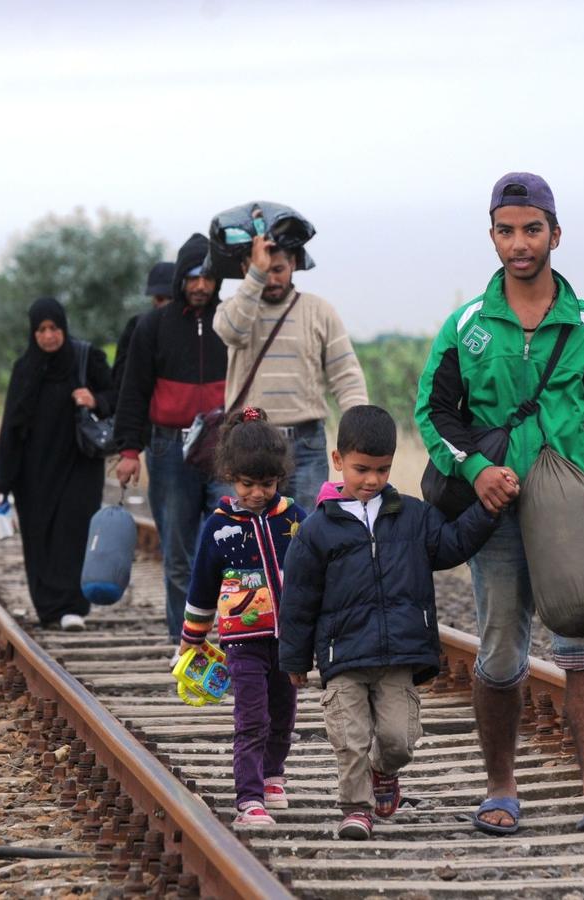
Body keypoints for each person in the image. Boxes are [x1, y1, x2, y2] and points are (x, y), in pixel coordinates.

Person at [415, 172, 584, 836]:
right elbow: (433, 416)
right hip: (493, 514)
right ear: (492, 235)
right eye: (506, 231)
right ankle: (501, 788)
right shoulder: (466, 327)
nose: (519, 244)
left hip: (569, 510)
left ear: (555, 233)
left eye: (531, 230)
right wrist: (476, 467)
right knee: (497, 652)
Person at [280, 405, 498, 840]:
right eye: (362, 469)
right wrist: (294, 658)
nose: (372, 480)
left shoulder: (413, 516)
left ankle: (384, 771)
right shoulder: (316, 530)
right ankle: (355, 809)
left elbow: (452, 544)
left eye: (382, 470)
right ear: (338, 460)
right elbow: (299, 599)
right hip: (343, 657)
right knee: (350, 738)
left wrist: (489, 511)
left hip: (400, 651)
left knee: (399, 738)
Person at [179, 407, 305, 825]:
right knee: (252, 717)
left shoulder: (294, 518)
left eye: (267, 484)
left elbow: (314, 576)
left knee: (284, 714)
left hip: (287, 643)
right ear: (230, 475)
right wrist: (192, 638)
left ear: (279, 478)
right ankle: (248, 798)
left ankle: (272, 775)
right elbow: (202, 588)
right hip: (243, 643)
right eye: (248, 484)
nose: (257, 493)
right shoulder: (218, 527)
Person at [113, 235, 229, 643]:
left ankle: (236, 642)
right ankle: (186, 645)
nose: (201, 286)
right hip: (168, 449)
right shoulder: (153, 326)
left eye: (208, 277)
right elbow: (133, 392)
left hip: (224, 448)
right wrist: (129, 450)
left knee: (231, 540)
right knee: (178, 554)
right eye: (193, 277)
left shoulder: (233, 320)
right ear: (181, 278)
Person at [0, 297, 114, 631]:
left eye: (54, 328)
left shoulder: (87, 359)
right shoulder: (25, 369)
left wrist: (95, 400)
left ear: (63, 327)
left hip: (79, 466)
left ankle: (73, 606)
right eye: (41, 329)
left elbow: (119, 396)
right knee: (38, 535)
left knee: (73, 532)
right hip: (33, 472)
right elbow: (11, 428)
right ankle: (47, 607)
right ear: (33, 332)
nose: (48, 336)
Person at [214, 232, 368, 504]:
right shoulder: (233, 310)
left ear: (293, 264)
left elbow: (346, 375)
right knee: (250, 533)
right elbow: (232, 332)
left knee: (308, 532)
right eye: (263, 270)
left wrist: (360, 428)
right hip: (249, 441)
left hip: (306, 444)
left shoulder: (319, 311)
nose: (271, 280)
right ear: (245, 270)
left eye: (278, 270)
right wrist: (255, 277)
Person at [105, 261, 175, 431]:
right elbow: (124, 384)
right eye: (159, 298)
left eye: (170, 298)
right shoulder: (139, 326)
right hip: (150, 428)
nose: (164, 304)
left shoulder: (202, 328)